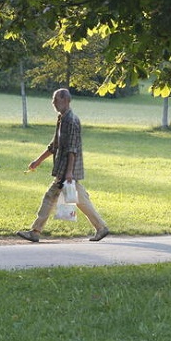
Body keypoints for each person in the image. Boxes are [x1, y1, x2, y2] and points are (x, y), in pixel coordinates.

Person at [17, 88, 109, 242]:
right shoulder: (62, 118)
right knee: (80, 198)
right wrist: (38, 161)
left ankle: (35, 231)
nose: (53, 103)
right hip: (64, 169)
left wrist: (69, 173)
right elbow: (55, 145)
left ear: (65, 100)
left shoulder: (71, 121)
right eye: (53, 100)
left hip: (66, 169)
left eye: (56, 100)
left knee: (50, 198)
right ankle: (101, 228)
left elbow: (72, 150)